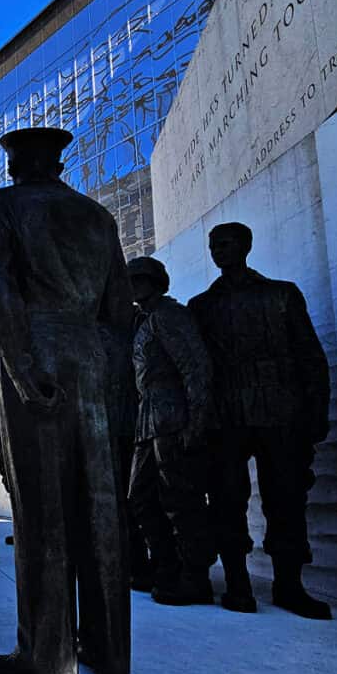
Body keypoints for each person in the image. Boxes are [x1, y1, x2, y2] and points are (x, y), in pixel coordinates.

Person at [0, 126, 135, 674]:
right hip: (95, 361)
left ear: (17, 164)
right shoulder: (97, 216)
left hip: (36, 352)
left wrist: (20, 366)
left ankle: (47, 656)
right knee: (102, 507)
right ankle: (111, 652)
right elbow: (120, 310)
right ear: (58, 163)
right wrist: (112, 378)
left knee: (42, 509)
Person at [188, 222, 332, 619]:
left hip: (280, 412)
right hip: (225, 417)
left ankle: (290, 585)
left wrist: (317, 411)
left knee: (286, 500)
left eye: (226, 243)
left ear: (246, 246)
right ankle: (238, 583)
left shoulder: (281, 295)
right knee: (226, 501)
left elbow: (311, 358)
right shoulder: (201, 306)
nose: (218, 250)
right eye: (213, 245)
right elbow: (195, 370)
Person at [126, 256, 215, 605]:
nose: (132, 286)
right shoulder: (144, 322)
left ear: (155, 281)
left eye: (138, 279)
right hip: (148, 417)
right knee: (141, 497)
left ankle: (194, 575)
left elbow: (195, 369)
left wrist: (197, 420)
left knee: (181, 498)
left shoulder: (170, 316)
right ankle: (165, 567)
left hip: (173, 414)